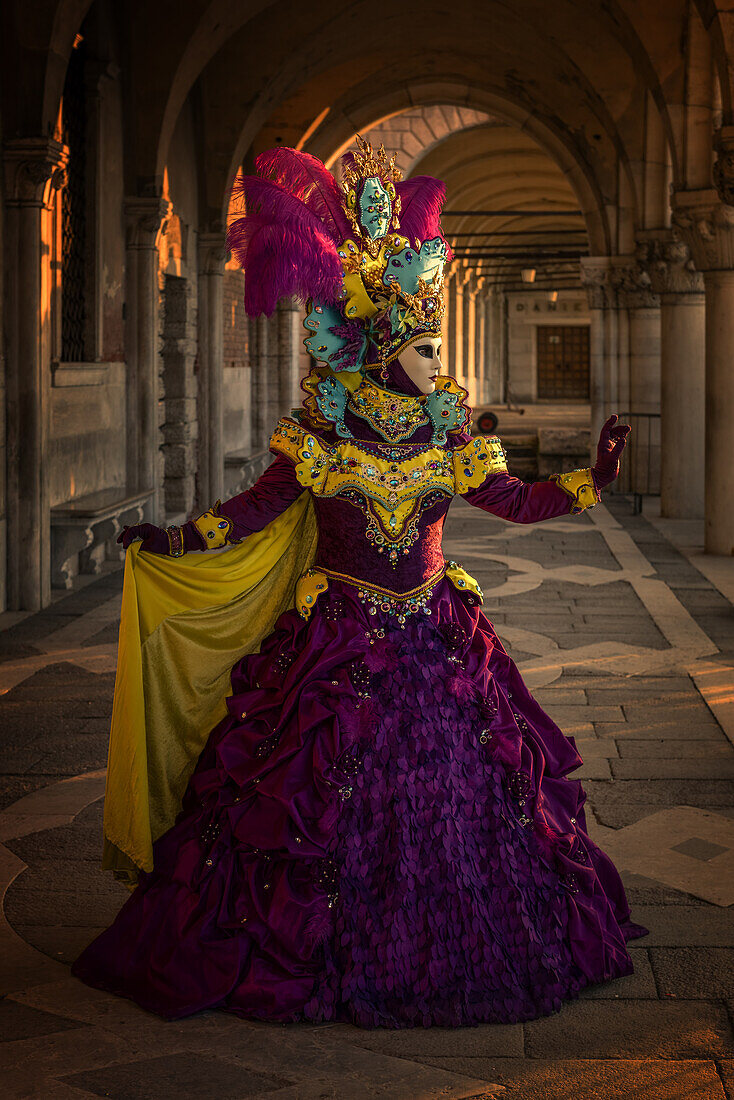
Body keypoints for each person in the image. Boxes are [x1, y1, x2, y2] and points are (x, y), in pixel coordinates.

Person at [71, 138, 648, 1028]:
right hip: (335, 642)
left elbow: (517, 500)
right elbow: (257, 508)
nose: (434, 360)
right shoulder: (319, 436)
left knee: (472, 803)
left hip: (435, 637)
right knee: (298, 799)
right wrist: (180, 540)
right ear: (383, 349)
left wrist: (594, 477)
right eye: (422, 345)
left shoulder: (448, 439)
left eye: (435, 345)